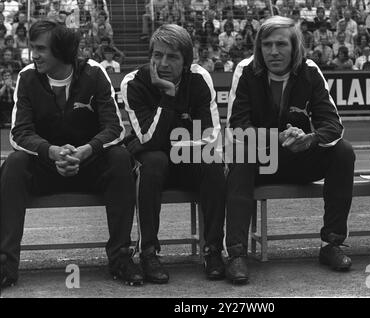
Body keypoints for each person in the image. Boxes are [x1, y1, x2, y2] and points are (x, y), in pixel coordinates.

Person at [0, 20, 144, 288]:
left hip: (89, 165)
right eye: (32, 47)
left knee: (120, 158)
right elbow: (19, 133)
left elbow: (114, 127)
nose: (34, 55)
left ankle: (121, 258)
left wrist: (87, 150)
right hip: (46, 166)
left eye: (40, 48)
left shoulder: (94, 73)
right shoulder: (27, 77)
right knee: (14, 163)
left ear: (61, 50)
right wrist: (52, 152)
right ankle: (5, 264)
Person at [225, 16, 355, 285]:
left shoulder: (309, 71)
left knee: (343, 151)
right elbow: (237, 127)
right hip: (261, 162)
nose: (274, 51)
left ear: (295, 47)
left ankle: (332, 244)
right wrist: (277, 137)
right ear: (259, 48)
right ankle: (236, 254)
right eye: (267, 44)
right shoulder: (246, 70)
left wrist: (310, 139)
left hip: (300, 158)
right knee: (240, 155)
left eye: (281, 44)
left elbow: (333, 124)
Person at [120, 24, 226, 284]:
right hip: (154, 166)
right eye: (157, 55)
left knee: (212, 163)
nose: (163, 63)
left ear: (186, 62)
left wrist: (165, 145)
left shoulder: (200, 78)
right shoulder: (133, 82)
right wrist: (168, 96)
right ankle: (148, 252)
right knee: (153, 161)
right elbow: (147, 138)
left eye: (172, 57)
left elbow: (210, 136)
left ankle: (213, 250)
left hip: (187, 161)